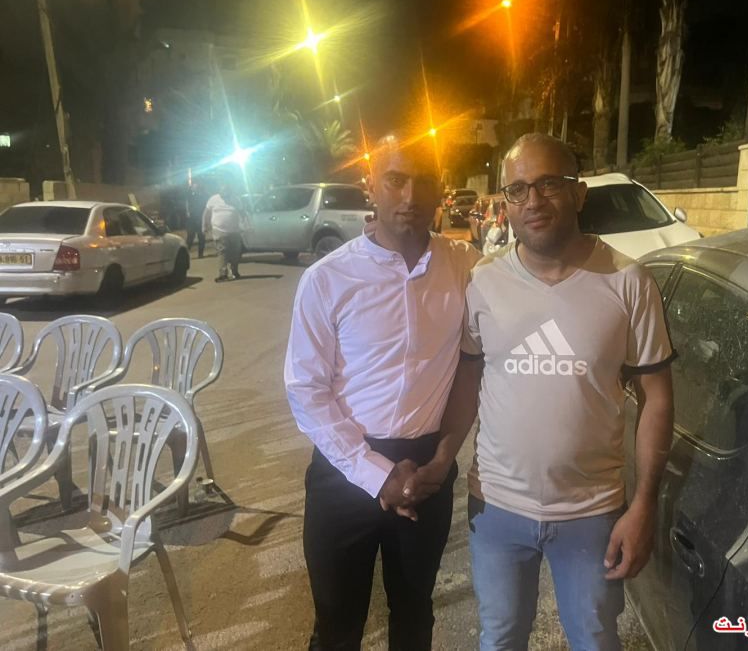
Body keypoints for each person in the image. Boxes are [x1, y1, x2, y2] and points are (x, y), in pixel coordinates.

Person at [404, 133, 676, 650]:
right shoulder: (484, 280)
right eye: (518, 189)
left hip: (592, 512)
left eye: (549, 184)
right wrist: (442, 456)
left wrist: (644, 506)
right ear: (505, 202)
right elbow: (469, 378)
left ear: (578, 192)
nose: (533, 201)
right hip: (497, 507)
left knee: (595, 640)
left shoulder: (628, 282)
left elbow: (657, 397)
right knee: (500, 638)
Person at [283, 132, 480, 650]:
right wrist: (377, 474)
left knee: (414, 616)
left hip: (428, 469)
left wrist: (443, 459)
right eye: (395, 180)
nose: (410, 196)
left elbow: (470, 367)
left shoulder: (466, 267)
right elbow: (306, 388)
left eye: (424, 181)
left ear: (441, 187)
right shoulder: (328, 279)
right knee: (336, 626)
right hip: (344, 470)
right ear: (370, 184)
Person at [203, 179, 243, 282]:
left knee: (235, 253)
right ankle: (223, 274)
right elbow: (206, 213)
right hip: (219, 230)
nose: (225, 193)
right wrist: (204, 225)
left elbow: (242, 212)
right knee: (222, 252)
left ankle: (234, 272)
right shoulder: (213, 199)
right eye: (223, 191)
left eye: (227, 191)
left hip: (234, 231)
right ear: (219, 190)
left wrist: (245, 225)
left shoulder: (235, 199)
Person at [185, 180, 207, 258]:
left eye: (196, 187)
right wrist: (188, 212)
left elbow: (206, 206)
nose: (195, 189)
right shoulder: (190, 195)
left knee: (201, 236)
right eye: (193, 187)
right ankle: (185, 253)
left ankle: (200, 254)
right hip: (192, 218)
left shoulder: (203, 195)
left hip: (201, 218)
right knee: (190, 236)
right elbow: (187, 203)